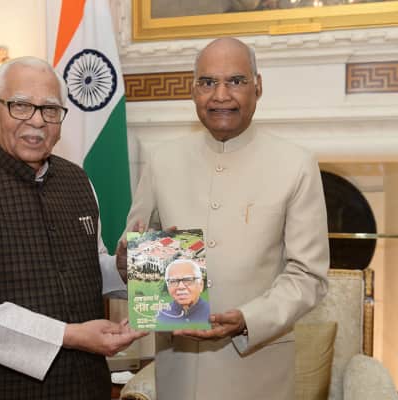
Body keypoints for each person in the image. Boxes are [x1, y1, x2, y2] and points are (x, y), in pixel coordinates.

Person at [0, 56, 145, 399]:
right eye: (21, 106)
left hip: (85, 387)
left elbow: (85, 269)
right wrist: (68, 336)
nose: (38, 120)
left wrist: (123, 269)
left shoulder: (77, 180)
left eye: (50, 109)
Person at [122, 38, 330, 399]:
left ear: (258, 86)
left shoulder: (296, 164)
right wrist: (129, 261)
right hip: (179, 372)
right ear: (193, 91)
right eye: (207, 82)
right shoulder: (162, 160)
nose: (220, 95)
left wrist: (249, 319)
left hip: (257, 371)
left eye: (235, 81)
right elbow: (138, 245)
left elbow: (309, 275)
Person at [157, 259, 209, 324]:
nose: (181, 287)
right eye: (173, 281)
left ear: (201, 285)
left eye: (188, 280)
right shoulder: (162, 315)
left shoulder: (212, 313)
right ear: (168, 287)